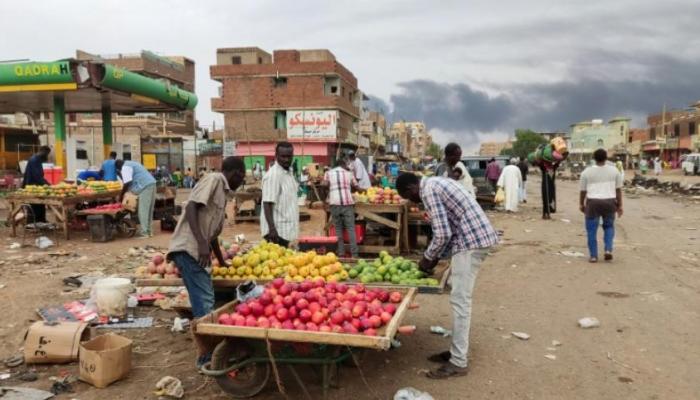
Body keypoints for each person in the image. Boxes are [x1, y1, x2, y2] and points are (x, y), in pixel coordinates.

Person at [396, 173, 498, 379]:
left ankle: (459, 361)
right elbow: (447, 226)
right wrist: (435, 256)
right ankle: (456, 352)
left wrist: (427, 258)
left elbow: (442, 233)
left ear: (411, 189)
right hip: (474, 238)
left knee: (460, 301)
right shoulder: (436, 183)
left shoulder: (429, 190)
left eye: (408, 197)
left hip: (471, 242)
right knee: (459, 298)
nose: (413, 201)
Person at [167, 156, 246, 367]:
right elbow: (191, 207)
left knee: (205, 300)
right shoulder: (214, 180)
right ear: (236, 173)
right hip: (189, 249)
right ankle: (206, 358)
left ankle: (209, 354)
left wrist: (222, 261)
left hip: (198, 251)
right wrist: (202, 243)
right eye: (243, 176)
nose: (243, 181)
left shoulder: (224, 193)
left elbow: (212, 236)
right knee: (205, 302)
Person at [579, 149, 623, 263]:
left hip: (593, 203)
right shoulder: (614, 171)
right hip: (609, 202)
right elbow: (618, 190)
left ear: (594, 158)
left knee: (591, 230)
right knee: (609, 227)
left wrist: (581, 204)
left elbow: (583, 191)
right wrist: (620, 206)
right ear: (606, 158)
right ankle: (608, 249)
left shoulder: (586, 172)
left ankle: (593, 256)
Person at [261, 142, 299, 246]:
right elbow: (267, 203)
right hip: (277, 234)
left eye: (289, 156)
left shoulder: (289, 173)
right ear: (276, 156)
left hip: (288, 232)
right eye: (283, 156)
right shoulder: (273, 176)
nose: (286, 159)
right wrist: (272, 229)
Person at [324, 157, 359, 258]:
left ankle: (341, 253)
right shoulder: (349, 173)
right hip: (348, 204)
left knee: (338, 230)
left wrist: (325, 198)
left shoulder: (328, 173)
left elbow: (324, 185)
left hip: (334, 203)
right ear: (343, 165)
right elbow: (356, 187)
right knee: (351, 229)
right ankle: (354, 255)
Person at [117, 159, 157, 238]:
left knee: (143, 210)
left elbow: (127, 182)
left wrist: (121, 196)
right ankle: (149, 231)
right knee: (149, 210)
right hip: (152, 183)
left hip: (144, 186)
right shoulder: (132, 163)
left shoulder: (125, 167)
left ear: (119, 167)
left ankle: (145, 233)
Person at [22, 146, 51, 222]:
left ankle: (41, 221)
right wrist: (48, 185)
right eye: (47, 154)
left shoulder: (37, 159)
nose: (47, 156)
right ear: (43, 152)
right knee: (34, 205)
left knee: (40, 204)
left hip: (36, 186)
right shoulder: (34, 160)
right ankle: (32, 223)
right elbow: (37, 176)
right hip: (32, 186)